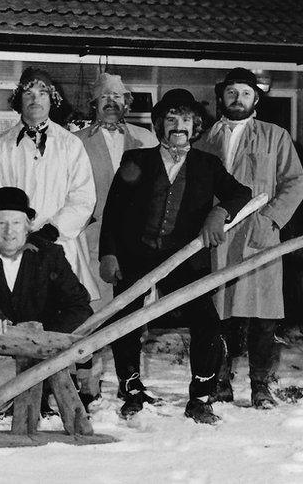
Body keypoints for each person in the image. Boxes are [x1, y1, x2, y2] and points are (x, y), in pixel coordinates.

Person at [100, 89, 251, 424]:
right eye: (171, 119)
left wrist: (219, 213)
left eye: (185, 119)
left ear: (195, 125)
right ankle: (131, 389)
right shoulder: (135, 161)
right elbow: (112, 213)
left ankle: (200, 397)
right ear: (160, 125)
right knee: (125, 321)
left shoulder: (207, 165)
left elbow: (242, 192)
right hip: (135, 255)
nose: (178, 125)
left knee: (207, 324)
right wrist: (109, 254)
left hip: (184, 258)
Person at [0, 67, 97, 414]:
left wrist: (51, 231)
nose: (35, 100)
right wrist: (18, 233)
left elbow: (83, 197)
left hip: (60, 243)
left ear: (52, 100)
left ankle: (70, 387)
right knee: (22, 310)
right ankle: (28, 386)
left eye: (42, 93)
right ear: (18, 101)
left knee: (65, 314)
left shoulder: (71, 145)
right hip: (14, 244)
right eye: (28, 94)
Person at [195, 68, 303, 409]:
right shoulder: (205, 140)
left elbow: (294, 182)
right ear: (221, 98)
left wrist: (271, 219)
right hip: (218, 237)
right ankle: (221, 382)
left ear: (256, 98)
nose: (237, 99)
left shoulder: (275, 136)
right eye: (231, 93)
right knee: (219, 312)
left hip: (259, 236)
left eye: (245, 93)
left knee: (263, 314)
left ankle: (261, 385)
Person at [73, 73, 158, 406]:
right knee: (92, 310)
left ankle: (130, 381)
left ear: (127, 103)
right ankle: (87, 382)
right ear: (94, 103)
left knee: (131, 311)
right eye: (104, 97)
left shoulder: (147, 139)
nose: (111, 102)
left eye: (118, 97)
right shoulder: (76, 141)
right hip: (92, 238)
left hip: (136, 241)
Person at [0, 186, 92, 334]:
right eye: (1, 223)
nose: (9, 231)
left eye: (16, 223)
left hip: (44, 351)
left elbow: (79, 307)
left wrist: (43, 340)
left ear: (27, 226)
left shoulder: (49, 255)